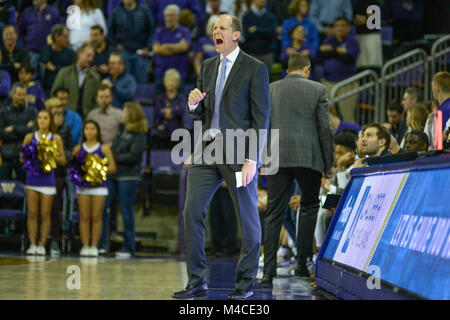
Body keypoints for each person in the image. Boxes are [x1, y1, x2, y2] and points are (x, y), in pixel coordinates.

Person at [172, 14, 270, 300]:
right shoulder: (207, 66)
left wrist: (253, 159)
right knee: (191, 212)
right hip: (206, 149)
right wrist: (193, 106)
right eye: (214, 28)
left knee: (248, 218)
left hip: (239, 153)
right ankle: (197, 280)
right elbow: (202, 113)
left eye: (222, 28)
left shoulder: (256, 68)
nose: (216, 31)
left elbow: (261, 117)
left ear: (236, 35)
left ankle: (245, 282)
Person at [261, 52, 333, 287]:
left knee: (273, 213)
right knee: (309, 206)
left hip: (276, 155)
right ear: (307, 69)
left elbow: (262, 125)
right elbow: (325, 128)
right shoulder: (318, 90)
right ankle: (302, 265)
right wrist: (328, 161)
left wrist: (261, 157)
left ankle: (268, 273)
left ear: (287, 70)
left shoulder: (271, 89)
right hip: (308, 156)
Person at [98, 102, 147, 258]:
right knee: (105, 208)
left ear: (131, 114)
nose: (122, 115)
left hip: (129, 176)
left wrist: (113, 158)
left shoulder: (140, 134)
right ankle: (102, 244)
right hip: (114, 174)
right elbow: (114, 148)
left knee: (126, 210)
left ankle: (129, 246)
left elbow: (133, 156)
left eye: (124, 113)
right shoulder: (120, 129)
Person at [22, 109, 66, 256]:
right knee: (32, 213)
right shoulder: (29, 137)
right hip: (32, 179)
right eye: (39, 118)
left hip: (48, 179)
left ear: (50, 121)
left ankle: (42, 244)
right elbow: (22, 158)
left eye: (45, 118)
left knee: (46, 214)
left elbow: (63, 160)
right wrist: (34, 155)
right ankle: (32, 244)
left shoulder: (56, 138)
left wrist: (48, 155)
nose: (42, 120)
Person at [70, 120, 116, 257]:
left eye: (92, 129)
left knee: (96, 218)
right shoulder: (78, 149)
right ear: (83, 132)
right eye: (87, 129)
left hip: (99, 187)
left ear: (97, 131)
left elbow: (113, 168)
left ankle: (94, 246)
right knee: (84, 218)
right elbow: (72, 167)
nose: (89, 131)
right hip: (83, 188)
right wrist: (82, 173)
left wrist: (97, 169)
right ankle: (85, 246)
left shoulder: (104, 149)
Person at [317, 17, 360, 124]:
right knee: (328, 117)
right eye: (337, 26)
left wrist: (331, 51)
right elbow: (321, 55)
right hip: (328, 82)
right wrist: (338, 51)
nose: (339, 28)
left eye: (342, 25)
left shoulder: (352, 42)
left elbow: (348, 58)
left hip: (347, 83)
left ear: (348, 28)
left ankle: (351, 138)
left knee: (348, 116)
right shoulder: (329, 40)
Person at [45, 97, 73, 256]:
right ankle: (37, 239)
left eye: (61, 113)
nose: (59, 117)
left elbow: (68, 153)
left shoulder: (65, 130)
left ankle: (55, 239)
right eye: (55, 113)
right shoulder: (40, 130)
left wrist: (54, 154)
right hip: (41, 174)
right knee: (41, 210)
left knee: (55, 208)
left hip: (58, 174)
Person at [107, 0, 154, 83]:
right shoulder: (116, 12)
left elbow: (151, 31)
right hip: (123, 52)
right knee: (123, 81)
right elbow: (110, 33)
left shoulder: (144, 10)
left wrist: (148, 47)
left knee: (141, 81)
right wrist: (116, 44)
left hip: (140, 52)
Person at [51, 43, 101, 118]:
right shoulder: (64, 73)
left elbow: (97, 100)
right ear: (79, 54)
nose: (90, 59)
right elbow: (54, 94)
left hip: (87, 118)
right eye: (88, 56)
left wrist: (91, 114)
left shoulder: (95, 77)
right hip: (65, 116)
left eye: (92, 57)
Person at [0, 83, 37, 182]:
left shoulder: (32, 112)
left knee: (25, 191)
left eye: (24, 95)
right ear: (11, 95)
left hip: (24, 158)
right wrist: (24, 129)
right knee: (3, 192)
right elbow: (2, 134)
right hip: (6, 157)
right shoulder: (3, 112)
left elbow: (32, 133)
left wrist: (13, 128)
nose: (22, 97)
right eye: (19, 95)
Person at [152, 4, 191, 95]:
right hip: (161, 72)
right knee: (159, 101)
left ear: (177, 17)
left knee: (181, 103)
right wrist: (177, 46)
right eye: (167, 16)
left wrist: (165, 46)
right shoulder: (159, 31)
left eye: (172, 15)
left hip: (179, 72)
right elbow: (156, 49)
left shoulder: (185, 31)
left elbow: (184, 47)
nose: (169, 18)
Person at [17, 0, 61, 73]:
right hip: (30, 52)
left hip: (47, 54)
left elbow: (59, 32)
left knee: (45, 79)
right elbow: (20, 31)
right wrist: (23, 47)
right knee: (30, 77)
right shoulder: (27, 12)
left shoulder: (54, 13)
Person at [241, 0, 277, 76]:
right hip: (251, 53)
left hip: (267, 53)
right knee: (249, 81)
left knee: (266, 81)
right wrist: (265, 31)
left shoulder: (271, 16)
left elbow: (272, 33)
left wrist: (257, 29)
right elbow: (247, 35)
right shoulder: (247, 16)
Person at [153, 68, 186, 149]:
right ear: (164, 82)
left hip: (178, 131)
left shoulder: (182, 98)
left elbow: (181, 110)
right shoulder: (159, 98)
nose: (170, 83)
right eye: (168, 80)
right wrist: (174, 111)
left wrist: (168, 111)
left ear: (178, 83)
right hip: (161, 131)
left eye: (173, 80)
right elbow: (157, 111)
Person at [40, 24, 76, 95]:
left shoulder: (70, 53)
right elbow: (45, 63)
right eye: (65, 37)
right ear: (57, 38)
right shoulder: (46, 50)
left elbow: (69, 71)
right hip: (47, 89)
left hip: (65, 90)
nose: (68, 39)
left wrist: (55, 68)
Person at [352, 0, 383, 71]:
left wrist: (363, 18)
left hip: (373, 36)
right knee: (360, 65)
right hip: (360, 36)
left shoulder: (375, 3)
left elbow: (373, 21)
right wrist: (367, 17)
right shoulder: (357, 4)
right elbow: (355, 20)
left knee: (373, 64)